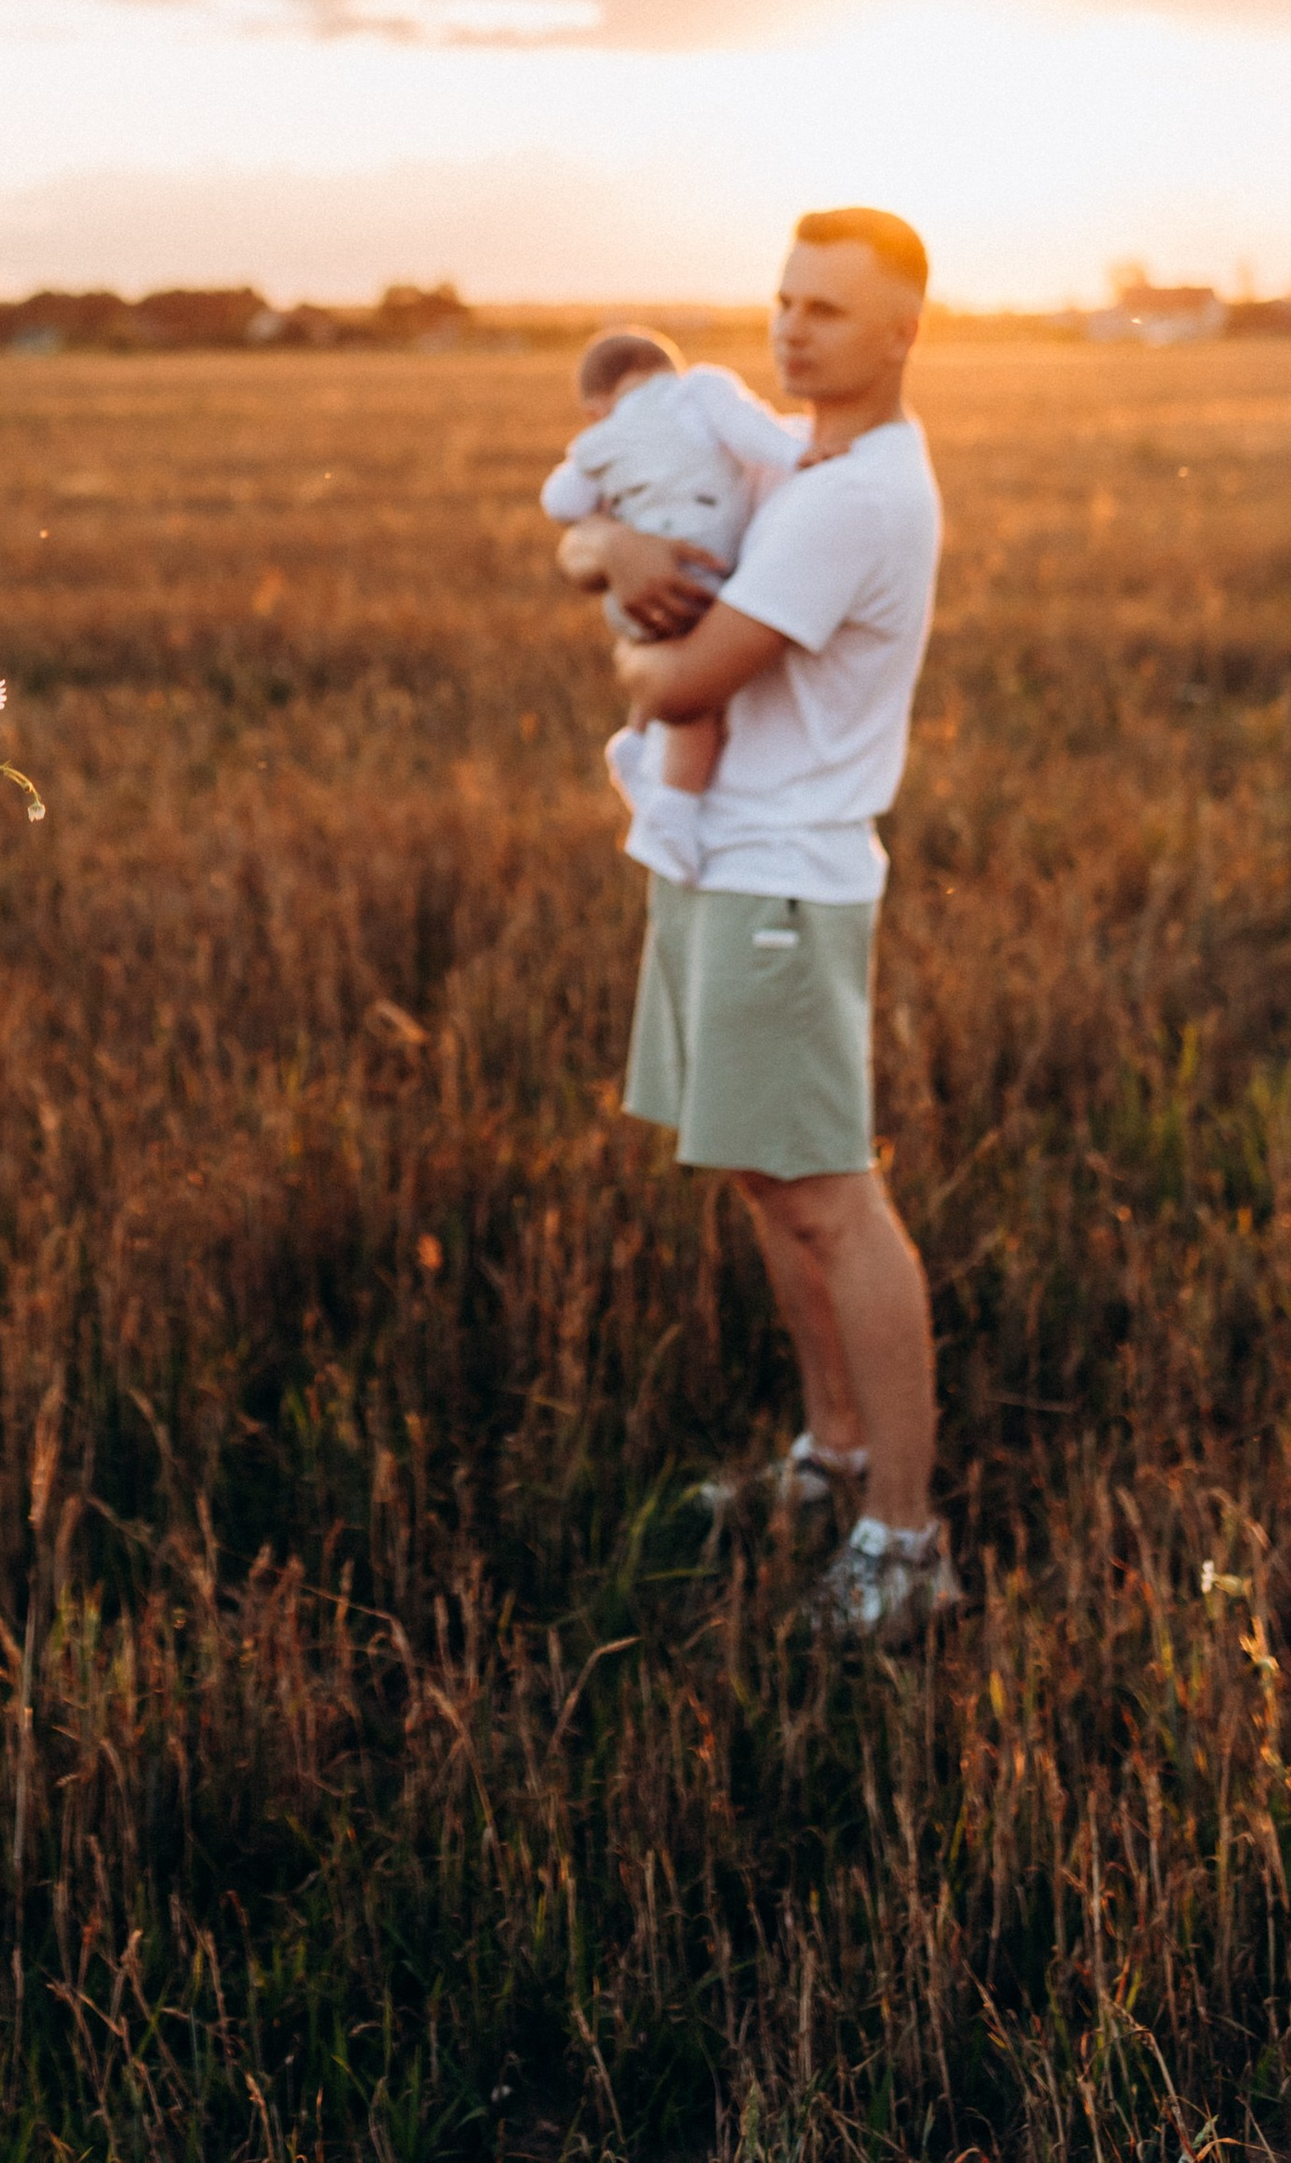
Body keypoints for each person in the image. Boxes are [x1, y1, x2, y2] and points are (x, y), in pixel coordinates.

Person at [555, 209, 954, 1641]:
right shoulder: (799, 462)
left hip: (785, 879)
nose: (793, 329)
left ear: (902, 331)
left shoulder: (852, 499)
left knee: (830, 1194)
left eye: (831, 310)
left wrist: (618, 601)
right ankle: (831, 1456)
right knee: (768, 1181)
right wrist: (607, 541)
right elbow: (602, 544)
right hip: (733, 865)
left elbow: (672, 683)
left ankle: (904, 1541)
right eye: (785, 300)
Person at [538, 326, 807, 795]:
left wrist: (611, 525)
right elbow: (754, 430)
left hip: (639, 604)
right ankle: (673, 805)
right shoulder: (707, 401)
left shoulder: (600, 442)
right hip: (704, 584)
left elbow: (560, 503)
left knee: (679, 678)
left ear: (593, 409)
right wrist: (800, 455)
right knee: (698, 709)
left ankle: (640, 746)